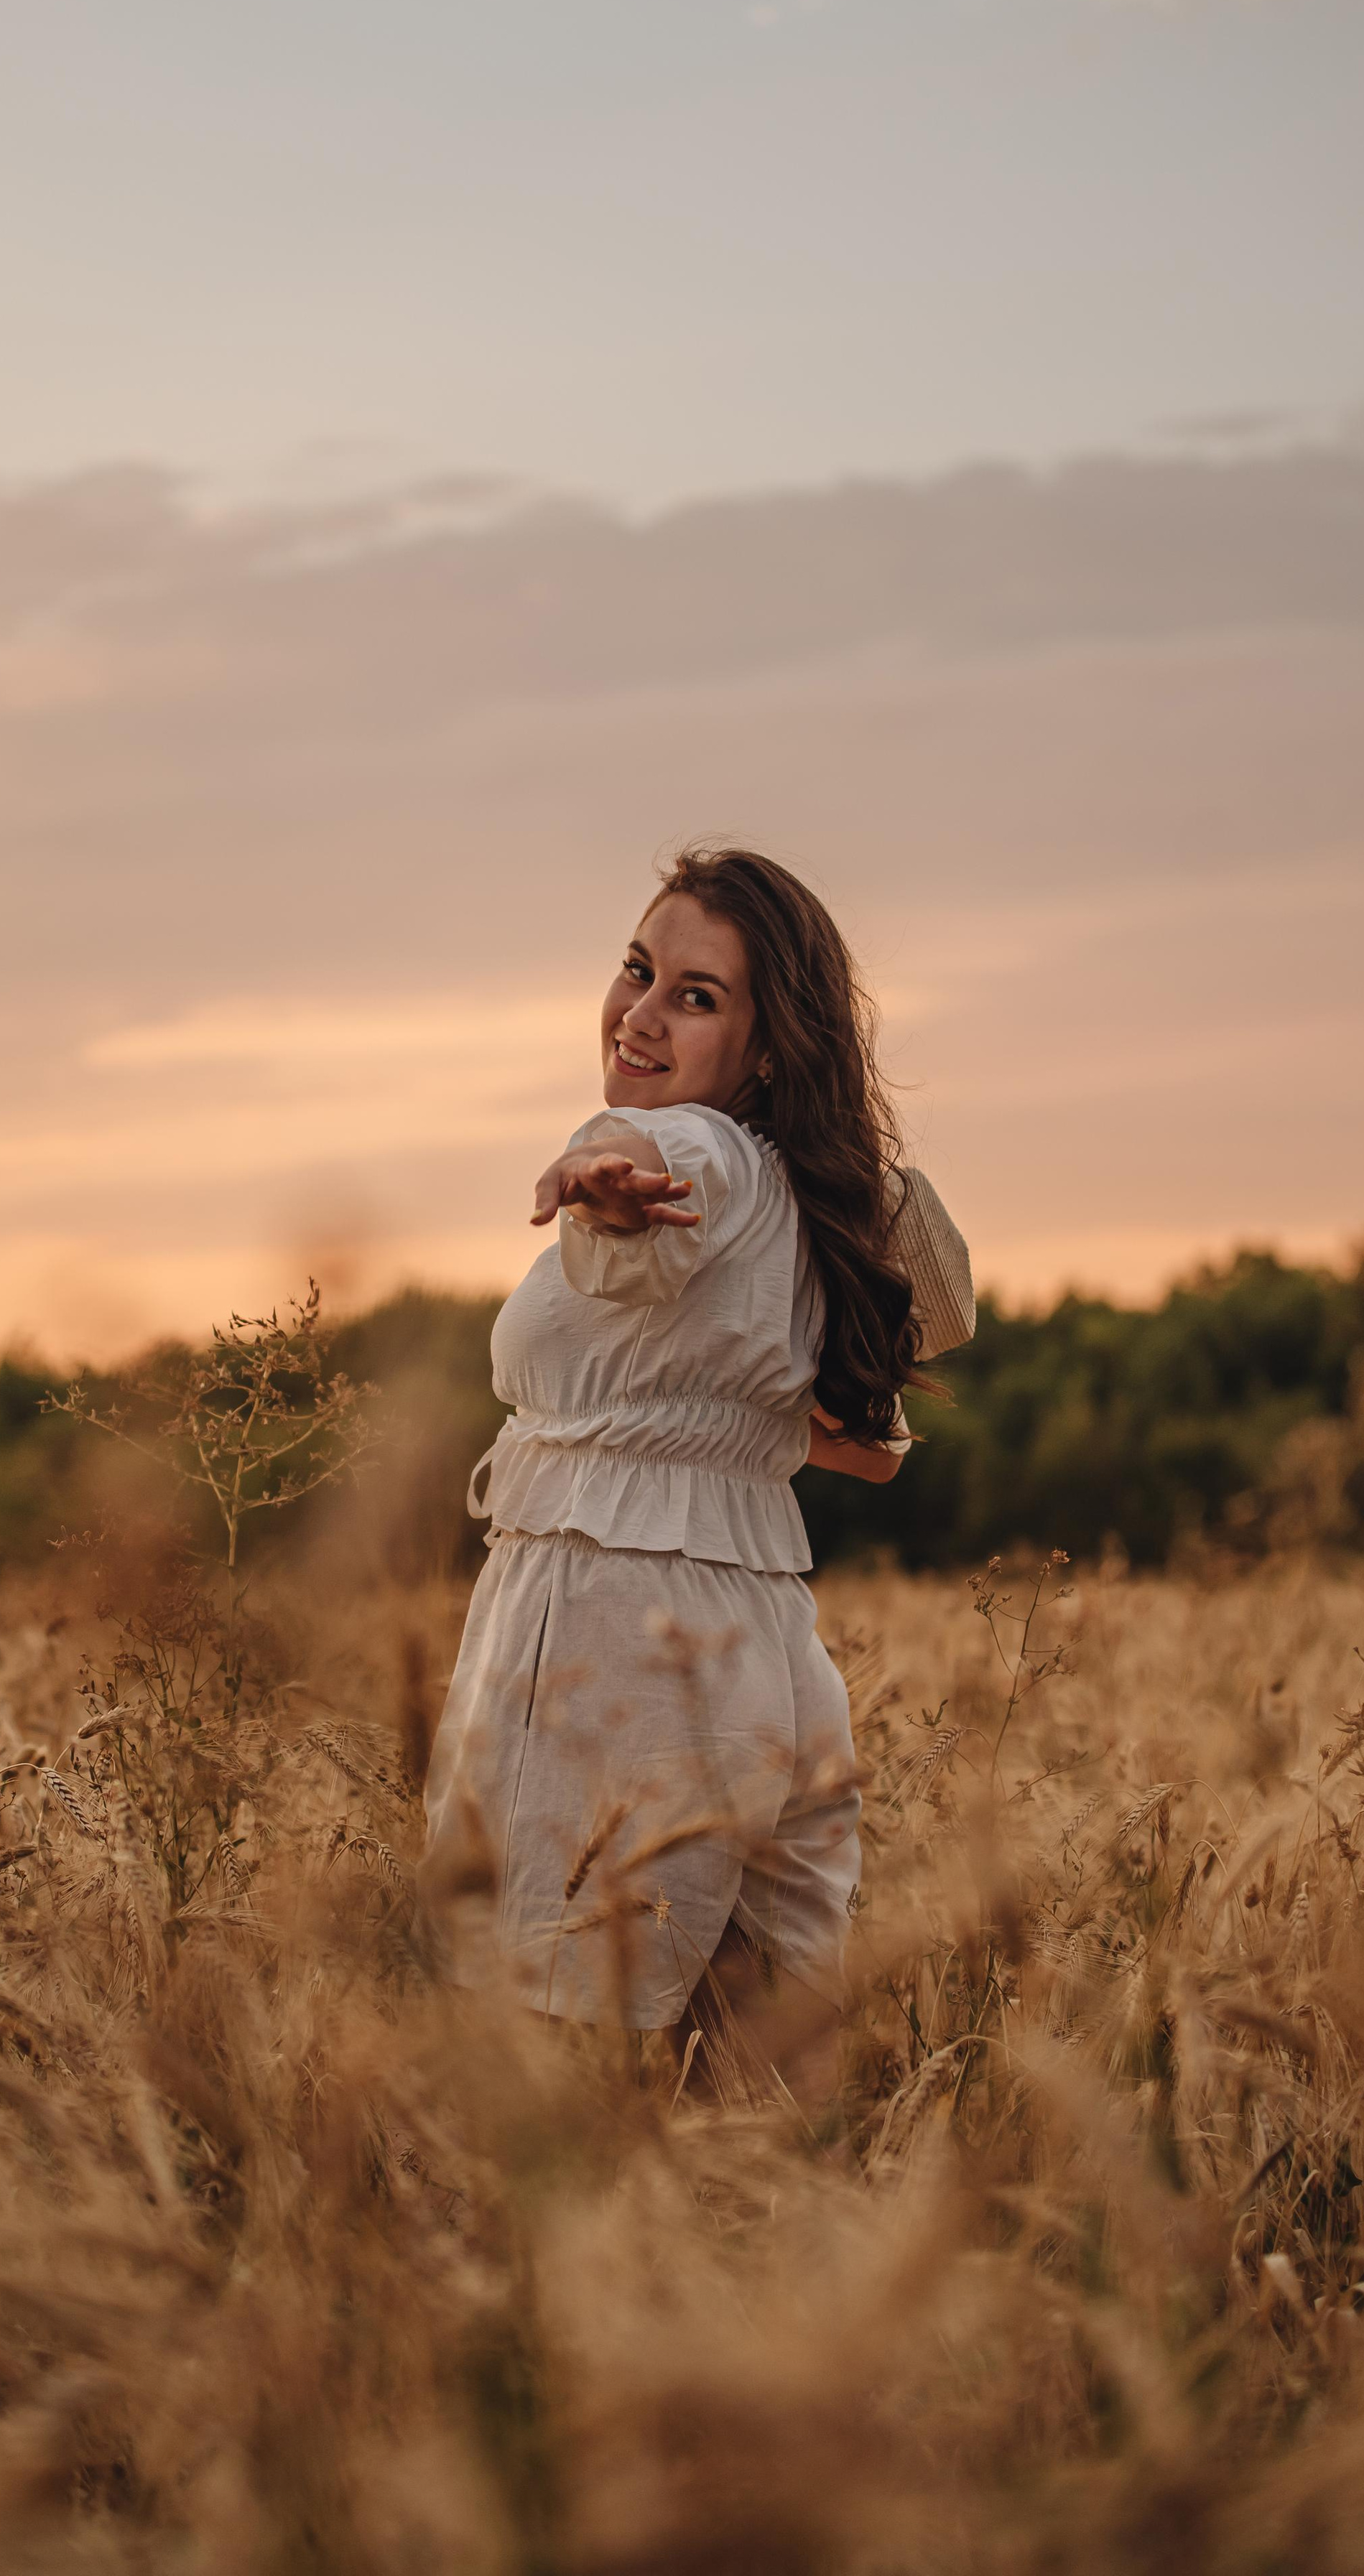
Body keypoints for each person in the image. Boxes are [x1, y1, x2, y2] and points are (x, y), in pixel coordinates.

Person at [420, 844, 973, 2095]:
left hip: (615, 1651)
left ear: (767, 1049)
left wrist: (605, 1180)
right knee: (760, 2100)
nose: (641, 1013)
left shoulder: (695, 1162)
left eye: (697, 996)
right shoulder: (801, 1197)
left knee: (554, 2070)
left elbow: (654, 1170)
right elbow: (872, 1446)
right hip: (765, 1659)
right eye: (638, 970)